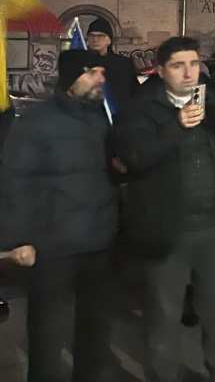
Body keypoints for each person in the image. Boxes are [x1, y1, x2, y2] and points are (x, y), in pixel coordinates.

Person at [113, 36, 215, 382]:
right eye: (178, 65)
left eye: (194, 64)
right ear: (161, 71)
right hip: (167, 232)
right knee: (164, 317)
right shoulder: (140, 109)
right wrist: (176, 127)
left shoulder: (214, 104)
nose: (189, 73)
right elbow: (133, 159)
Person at [1, 50, 120, 382]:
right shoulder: (36, 123)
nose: (101, 78)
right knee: (48, 339)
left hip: (98, 243)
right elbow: (14, 182)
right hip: (53, 249)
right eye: (92, 72)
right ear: (71, 80)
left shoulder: (101, 118)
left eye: (102, 72)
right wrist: (16, 241)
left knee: (94, 336)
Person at [86, 17, 138, 114]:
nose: (95, 39)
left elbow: (133, 91)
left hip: (119, 116)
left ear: (109, 40)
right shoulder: (81, 62)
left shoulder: (123, 64)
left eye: (100, 36)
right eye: (91, 36)